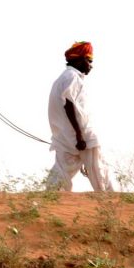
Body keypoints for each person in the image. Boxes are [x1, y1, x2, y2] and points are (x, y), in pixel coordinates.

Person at [45, 41, 112, 191]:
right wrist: (79, 135)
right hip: (81, 135)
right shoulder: (72, 77)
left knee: (60, 174)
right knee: (99, 171)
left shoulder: (63, 78)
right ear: (79, 60)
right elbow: (69, 106)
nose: (91, 66)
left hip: (65, 138)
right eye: (89, 61)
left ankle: (48, 201)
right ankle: (113, 203)